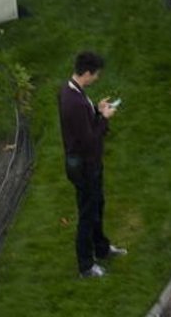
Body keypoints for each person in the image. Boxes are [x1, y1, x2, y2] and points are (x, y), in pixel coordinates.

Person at [58, 50, 126, 278]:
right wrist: (104, 119)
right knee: (88, 213)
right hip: (86, 166)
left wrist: (96, 110)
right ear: (86, 73)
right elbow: (88, 139)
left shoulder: (71, 91)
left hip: (89, 164)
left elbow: (81, 126)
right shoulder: (74, 102)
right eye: (95, 74)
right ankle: (86, 265)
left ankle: (102, 248)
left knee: (97, 206)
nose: (97, 78)